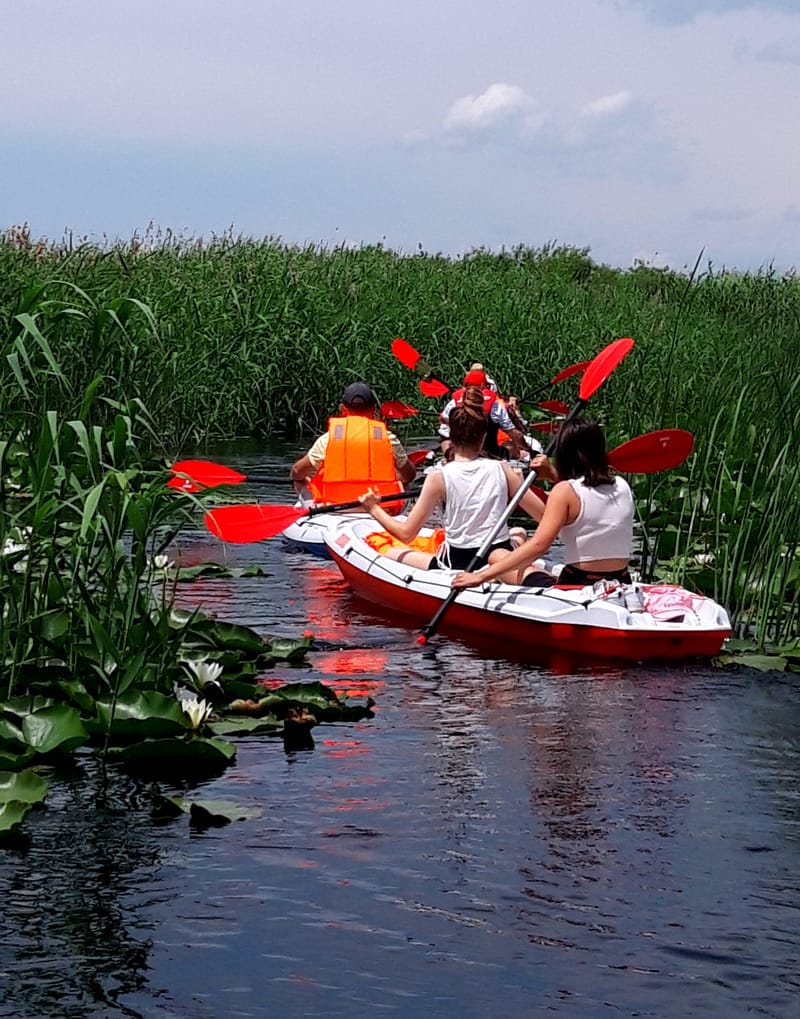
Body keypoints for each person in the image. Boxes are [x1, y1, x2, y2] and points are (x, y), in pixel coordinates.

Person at [358, 386, 546, 572]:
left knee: (391, 553)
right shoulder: (504, 469)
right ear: (483, 437)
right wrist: (520, 485)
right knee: (519, 532)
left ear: (451, 439)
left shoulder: (437, 477)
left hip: (458, 561)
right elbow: (545, 519)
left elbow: (406, 534)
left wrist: (373, 508)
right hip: (500, 556)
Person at [451, 417, 634, 590]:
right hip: (621, 580)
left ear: (564, 454)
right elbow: (586, 497)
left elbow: (539, 546)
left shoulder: (564, 491)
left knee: (496, 556)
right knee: (532, 563)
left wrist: (481, 576)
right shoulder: (622, 485)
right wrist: (554, 475)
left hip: (578, 585)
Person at [290, 382, 417, 507]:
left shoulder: (328, 439)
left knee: (299, 480)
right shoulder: (388, 438)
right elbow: (409, 475)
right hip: (381, 508)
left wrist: (303, 480)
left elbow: (297, 471)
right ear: (373, 410)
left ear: (343, 409)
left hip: (334, 507)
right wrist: (395, 478)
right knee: (403, 483)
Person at [439, 367, 526, 459]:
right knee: (511, 450)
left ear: (464, 387)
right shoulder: (495, 406)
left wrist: (449, 455)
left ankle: (451, 458)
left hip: (457, 457)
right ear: (483, 386)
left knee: (445, 440)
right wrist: (526, 449)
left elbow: (444, 435)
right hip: (489, 455)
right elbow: (513, 432)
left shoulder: (452, 404)